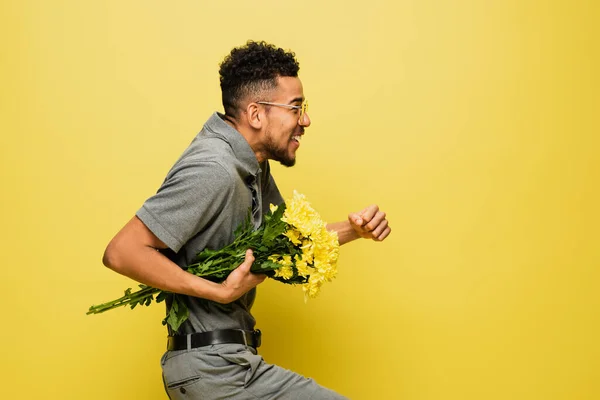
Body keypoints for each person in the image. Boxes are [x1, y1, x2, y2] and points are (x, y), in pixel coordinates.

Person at [102, 40, 391, 399]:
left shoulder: (251, 165)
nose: (306, 120)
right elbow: (122, 251)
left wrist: (353, 230)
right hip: (214, 371)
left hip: (229, 365)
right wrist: (219, 291)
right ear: (255, 114)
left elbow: (283, 243)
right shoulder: (215, 168)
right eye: (296, 108)